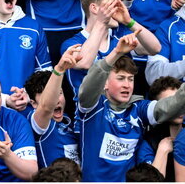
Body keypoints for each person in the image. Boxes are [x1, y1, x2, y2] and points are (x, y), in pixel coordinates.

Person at [78, 32, 185, 181]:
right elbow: (89, 85)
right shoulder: (94, 106)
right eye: (121, 78)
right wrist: (116, 53)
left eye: (130, 79)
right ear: (105, 83)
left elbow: (169, 106)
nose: (127, 85)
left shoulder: (139, 108)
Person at [23, 45, 81, 169]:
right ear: (33, 103)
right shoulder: (39, 125)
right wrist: (59, 69)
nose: (55, 100)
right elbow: (45, 107)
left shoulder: (69, 121)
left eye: (59, 93)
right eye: (47, 96)